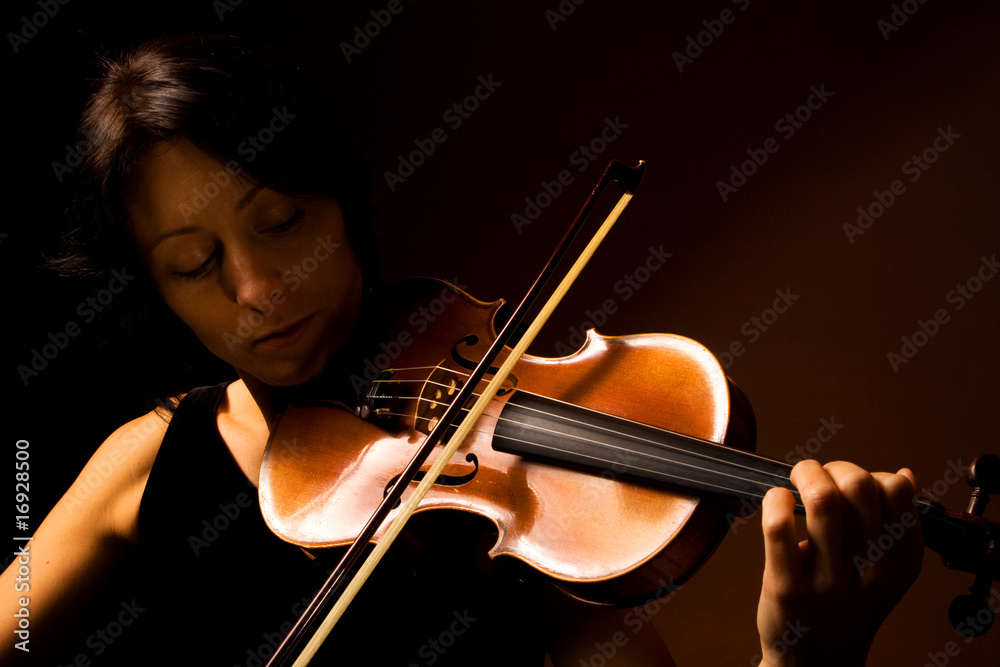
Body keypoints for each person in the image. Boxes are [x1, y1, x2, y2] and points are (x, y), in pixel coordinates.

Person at [0, 35, 923, 666]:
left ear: (342, 203)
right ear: (155, 292)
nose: (256, 288)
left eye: (281, 222)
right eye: (196, 263)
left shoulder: (508, 505)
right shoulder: (145, 462)